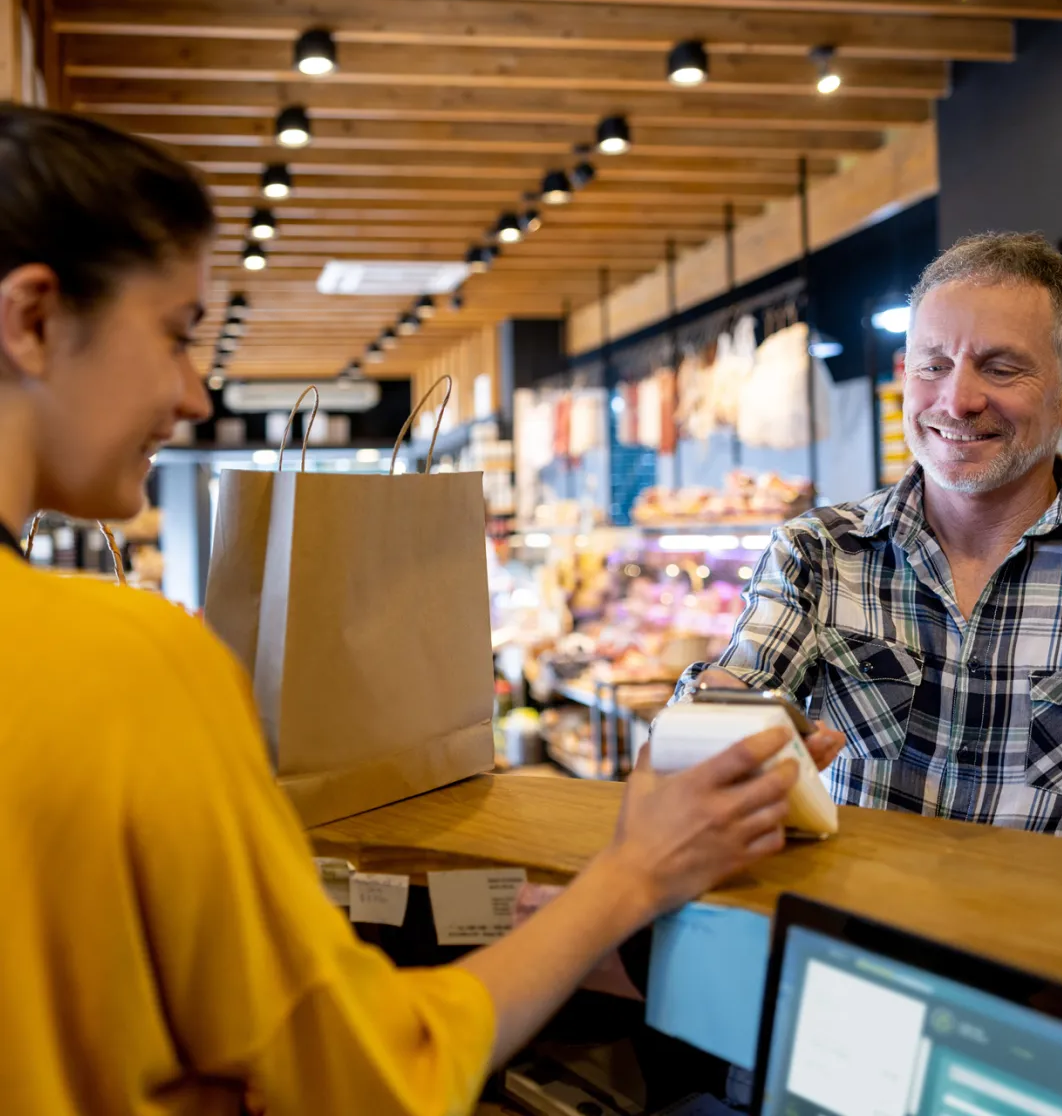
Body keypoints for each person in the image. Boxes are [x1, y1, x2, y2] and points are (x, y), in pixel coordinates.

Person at [0, 103, 846, 1114]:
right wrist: (631, 875)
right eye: (178, 335)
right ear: (33, 318)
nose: (193, 394)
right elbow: (361, 1071)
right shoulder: (126, 662)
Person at [682, 232, 1062, 847]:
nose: (958, 400)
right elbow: (729, 705)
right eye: (933, 365)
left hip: (1061, 941)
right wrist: (713, 718)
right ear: (906, 375)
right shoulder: (819, 553)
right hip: (848, 937)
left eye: (1001, 368)